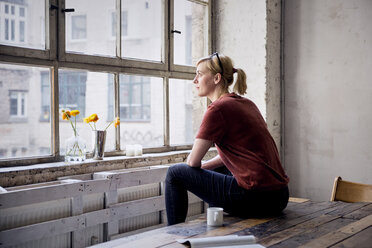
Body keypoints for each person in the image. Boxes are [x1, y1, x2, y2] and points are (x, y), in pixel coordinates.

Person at [165, 53, 289, 225]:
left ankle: (173, 235)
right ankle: (216, 223)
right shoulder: (246, 104)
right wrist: (205, 169)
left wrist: (196, 170)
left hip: (257, 199)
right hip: (279, 196)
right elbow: (237, 154)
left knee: (175, 173)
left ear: (216, 78)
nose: (195, 80)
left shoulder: (217, 109)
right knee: (217, 171)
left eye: (199, 74)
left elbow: (193, 162)